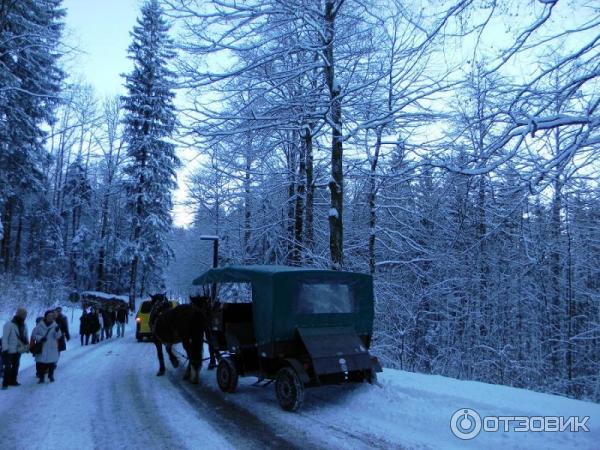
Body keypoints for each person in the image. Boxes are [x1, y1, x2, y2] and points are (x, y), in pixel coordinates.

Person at [31, 309, 62, 383]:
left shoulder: (55, 325)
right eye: (49, 316)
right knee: (41, 363)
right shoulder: (39, 325)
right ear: (45, 316)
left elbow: (58, 337)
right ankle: (41, 378)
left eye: (52, 316)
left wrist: (57, 331)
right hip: (42, 347)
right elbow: (34, 335)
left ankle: (51, 376)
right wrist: (40, 338)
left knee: (51, 363)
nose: (50, 317)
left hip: (52, 347)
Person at [1, 308, 29, 389]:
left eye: (25, 314)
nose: (25, 316)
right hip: (9, 350)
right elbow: (5, 338)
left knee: (16, 365)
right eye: (23, 314)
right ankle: (5, 383)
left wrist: (27, 346)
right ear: (18, 314)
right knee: (7, 366)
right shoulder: (9, 324)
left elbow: (25, 336)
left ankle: (13, 380)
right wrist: (5, 349)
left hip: (19, 349)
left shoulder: (24, 325)